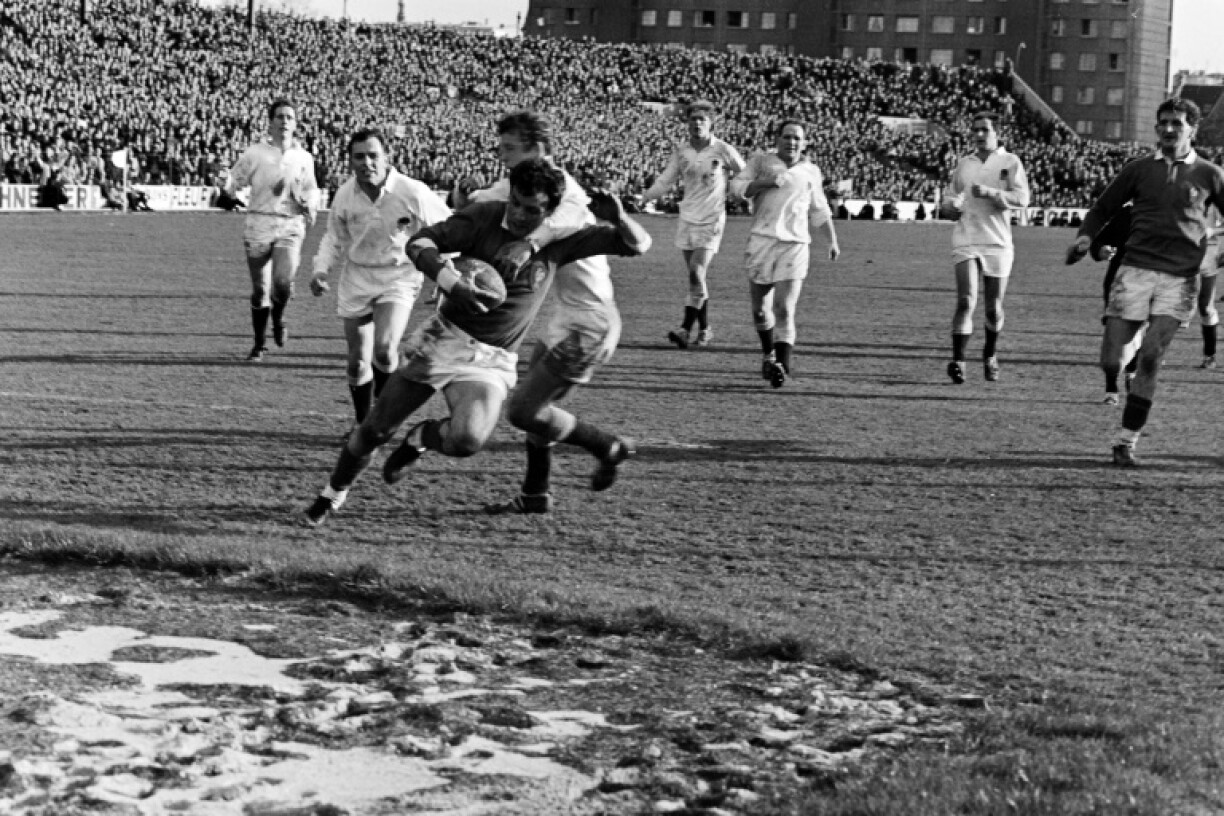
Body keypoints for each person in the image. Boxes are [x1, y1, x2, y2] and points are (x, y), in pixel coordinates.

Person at [302, 159, 652, 527]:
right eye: (515, 202)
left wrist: (619, 217)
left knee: (467, 440)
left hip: (491, 359)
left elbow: (638, 244)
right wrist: (453, 284)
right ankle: (332, 494)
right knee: (375, 429)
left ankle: (421, 437)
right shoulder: (483, 217)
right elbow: (420, 242)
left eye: (531, 210)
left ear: (549, 212)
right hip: (443, 339)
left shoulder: (560, 241)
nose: (518, 214)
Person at [464, 110, 626, 515]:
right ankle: (536, 494)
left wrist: (529, 245)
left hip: (588, 322)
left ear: (536, 150)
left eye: (509, 149)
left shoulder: (564, 192)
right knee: (539, 414)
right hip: (568, 316)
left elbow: (560, 223)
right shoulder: (525, 183)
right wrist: (464, 202)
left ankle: (606, 445)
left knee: (523, 411)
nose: (501, 156)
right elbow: (490, 198)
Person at [1067, 97, 1224, 466]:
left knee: (1152, 357)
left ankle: (1126, 440)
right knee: (1113, 359)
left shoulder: (1210, 174)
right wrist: (1086, 237)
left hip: (1179, 279)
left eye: (1177, 123)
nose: (1169, 129)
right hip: (1133, 271)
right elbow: (1103, 209)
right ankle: (1126, 352)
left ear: (1193, 130)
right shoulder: (1137, 170)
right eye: (1163, 123)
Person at [308, 127, 451, 433]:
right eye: (359, 156)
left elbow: (448, 228)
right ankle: (363, 423)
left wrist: (446, 273)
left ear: (387, 158)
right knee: (357, 362)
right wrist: (320, 270)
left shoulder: (411, 191)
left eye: (373, 155)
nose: (366, 162)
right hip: (357, 276)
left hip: (398, 275)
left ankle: (385, 419)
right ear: (350, 161)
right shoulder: (345, 195)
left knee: (385, 349)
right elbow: (334, 237)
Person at [731, 120, 840, 388]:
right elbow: (736, 189)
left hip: (795, 244)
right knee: (760, 311)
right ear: (777, 139)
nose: (792, 142)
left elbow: (819, 209)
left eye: (797, 138)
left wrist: (832, 241)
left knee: (784, 307)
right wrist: (765, 183)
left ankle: (782, 365)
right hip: (762, 241)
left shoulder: (811, 171)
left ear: (804, 143)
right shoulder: (760, 162)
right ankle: (769, 354)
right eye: (787, 137)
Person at [639, 100, 745, 350]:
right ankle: (705, 329)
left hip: (712, 219)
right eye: (693, 120)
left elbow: (745, 173)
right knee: (696, 279)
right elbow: (665, 181)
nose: (697, 124)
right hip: (687, 217)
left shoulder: (723, 149)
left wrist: (743, 192)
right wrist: (643, 197)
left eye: (702, 120)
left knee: (697, 272)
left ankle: (685, 329)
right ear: (687, 124)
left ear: (711, 124)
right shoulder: (682, 151)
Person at [224, 97, 319, 362]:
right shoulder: (255, 153)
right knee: (260, 289)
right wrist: (226, 184)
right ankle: (259, 344)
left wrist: (309, 204)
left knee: (282, 281)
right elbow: (235, 181)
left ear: (296, 123)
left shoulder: (303, 157)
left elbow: (311, 188)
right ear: (271, 122)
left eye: (289, 117)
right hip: (258, 224)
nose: (285, 122)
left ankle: (278, 318)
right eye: (280, 117)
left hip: (289, 224)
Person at [939, 111, 1031, 384]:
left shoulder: (1010, 161)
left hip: (998, 242)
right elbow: (949, 197)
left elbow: (1022, 199)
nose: (979, 135)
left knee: (994, 308)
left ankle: (990, 352)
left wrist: (992, 194)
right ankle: (958, 361)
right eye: (975, 129)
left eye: (984, 130)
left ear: (996, 132)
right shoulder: (964, 164)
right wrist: (948, 208)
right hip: (966, 237)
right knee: (966, 300)